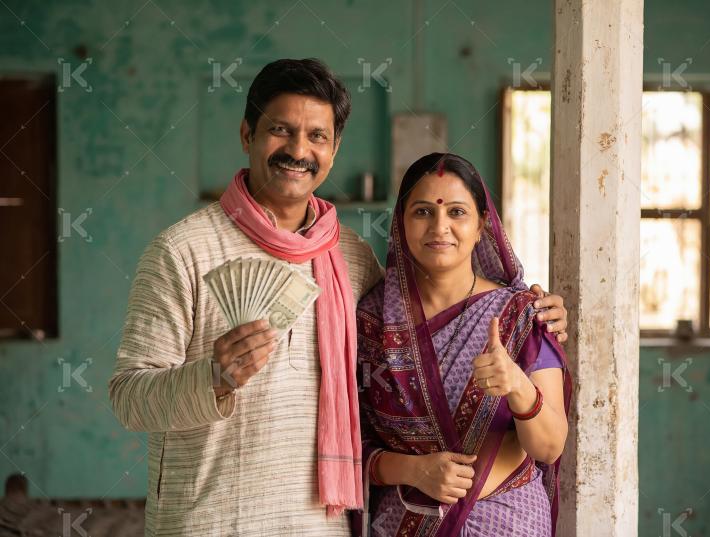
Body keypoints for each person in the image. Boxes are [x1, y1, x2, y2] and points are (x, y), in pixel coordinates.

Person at [108, 58, 569, 536]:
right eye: (280, 130)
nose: (298, 150)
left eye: (317, 136)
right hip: (213, 521)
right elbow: (128, 399)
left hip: (319, 525)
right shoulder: (183, 251)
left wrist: (538, 315)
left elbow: (426, 317)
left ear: (334, 150)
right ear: (247, 135)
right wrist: (214, 379)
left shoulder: (349, 256)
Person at [356, 153, 572, 537]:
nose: (440, 226)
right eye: (423, 212)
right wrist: (413, 470)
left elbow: (549, 448)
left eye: (457, 212)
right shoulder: (371, 322)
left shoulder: (521, 315)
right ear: (401, 222)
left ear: (481, 225)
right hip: (404, 523)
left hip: (509, 523)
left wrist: (518, 386)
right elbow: (348, 445)